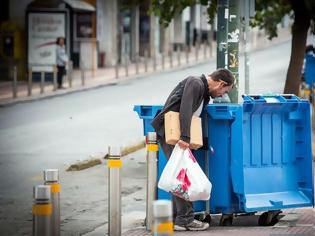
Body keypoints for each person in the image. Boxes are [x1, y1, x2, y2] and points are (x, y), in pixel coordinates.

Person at [151, 68, 235, 231]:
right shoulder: (195, 83)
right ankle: (185, 219)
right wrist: (185, 137)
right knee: (182, 176)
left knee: (179, 175)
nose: (222, 95)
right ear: (221, 83)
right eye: (225, 91)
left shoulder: (203, 91)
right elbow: (186, 109)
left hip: (176, 135)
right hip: (173, 134)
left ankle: (178, 217)